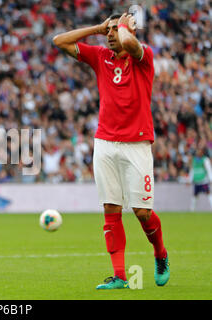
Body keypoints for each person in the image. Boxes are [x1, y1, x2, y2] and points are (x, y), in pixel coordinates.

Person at [53, 13, 169, 289]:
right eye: (109, 30)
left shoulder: (143, 57)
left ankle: (160, 253)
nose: (110, 34)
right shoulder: (100, 56)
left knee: (142, 212)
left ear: (129, 31)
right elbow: (59, 41)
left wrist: (125, 28)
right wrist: (98, 27)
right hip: (105, 142)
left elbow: (131, 43)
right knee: (110, 209)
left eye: (115, 30)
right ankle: (118, 276)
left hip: (137, 143)